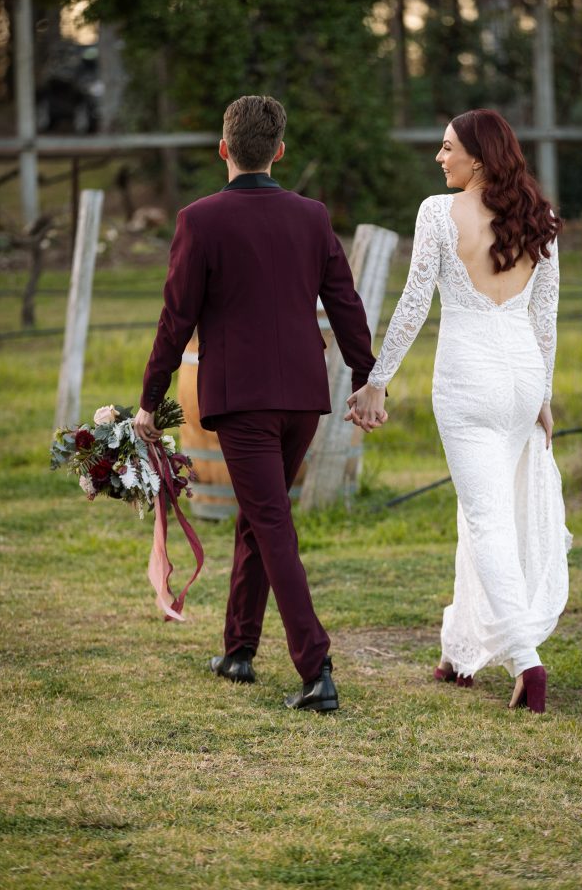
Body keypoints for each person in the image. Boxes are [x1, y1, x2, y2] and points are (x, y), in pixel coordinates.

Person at [134, 95, 380, 713]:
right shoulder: (313, 216)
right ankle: (238, 649)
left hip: (241, 399)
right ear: (279, 151)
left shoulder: (199, 220)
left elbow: (175, 320)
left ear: (224, 150)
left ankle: (315, 667)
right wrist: (365, 376)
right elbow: (345, 304)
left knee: (269, 520)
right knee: (260, 514)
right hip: (302, 396)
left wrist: (148, 401)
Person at [346, 109, 571, 713]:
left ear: (478, 156)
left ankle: (527, 662)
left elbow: (414, 304)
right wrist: (543, 396)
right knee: (479, 513)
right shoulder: (538, 217)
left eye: (447, 148)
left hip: (469, 385)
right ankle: (460, 648)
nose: (439, 158)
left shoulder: (438, 214)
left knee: (488, 519)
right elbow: (543, 319)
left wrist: (376, 381)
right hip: (522, 378)